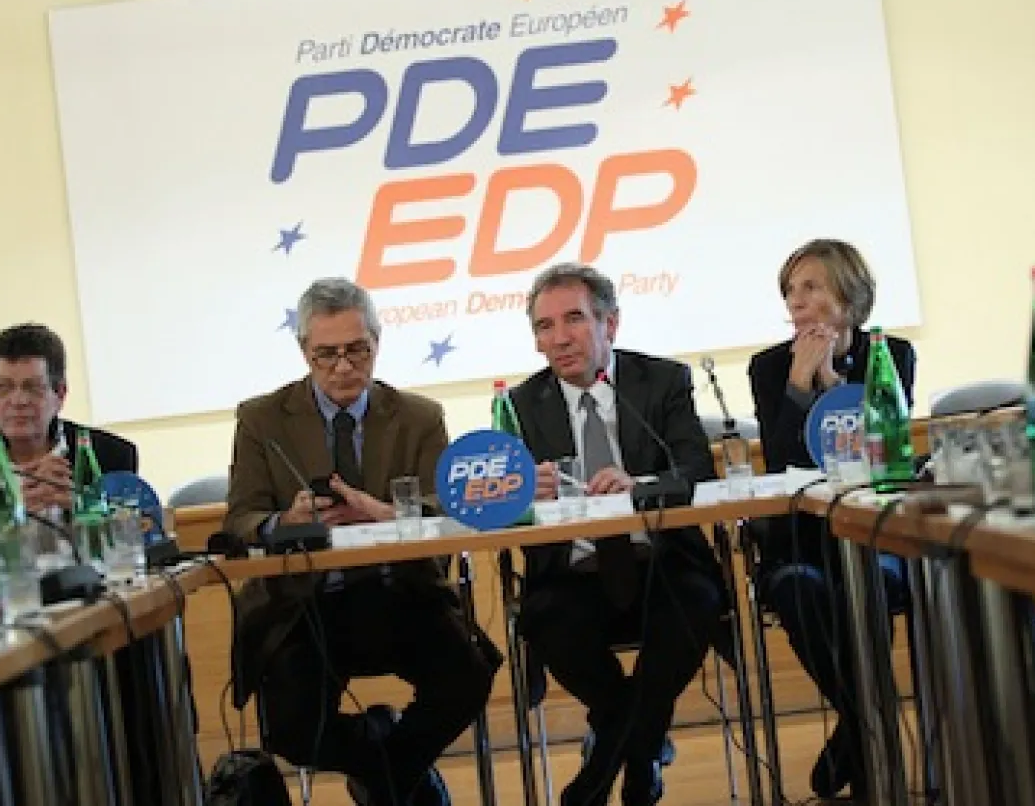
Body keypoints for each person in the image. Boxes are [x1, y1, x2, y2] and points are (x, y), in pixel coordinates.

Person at [224, 277, 497, 806]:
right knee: (291, 729)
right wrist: (287, 521)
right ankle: (390, 765)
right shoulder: (262, 420)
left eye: (357, 350)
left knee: (468, 677)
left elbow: (447, 512)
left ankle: (385, 782)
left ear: (377, 342)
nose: (344, 367)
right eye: (326, 355)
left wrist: (390, 516)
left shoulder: (418, 416)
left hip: (399, 592)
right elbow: (241, 519)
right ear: (304, 351)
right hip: (306, 604)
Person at [507, 262, 725, 806]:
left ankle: (603, 766)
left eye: (574, 319)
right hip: (572, 574)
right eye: (544, 326)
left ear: (611, 323)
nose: (560, 338)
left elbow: (695, 468)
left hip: (662, 562)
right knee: (546, 619)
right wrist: (522, 492)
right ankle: (641, 745)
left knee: (695, 603)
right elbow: (501, 503)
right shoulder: (520, 405)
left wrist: (640, 486)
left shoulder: (663, 381)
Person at [747, 239, 916, 802]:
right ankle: (868, 718)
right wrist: (799, 386)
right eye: (790, 291)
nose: (796, 301)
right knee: (797, 588)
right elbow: (782, 462)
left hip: (877, 534)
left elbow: (882, 445)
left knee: (875, 581)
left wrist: (832, 388)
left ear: (850, 295)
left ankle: (858, 735)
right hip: (802, 540)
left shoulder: (890, 354)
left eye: (811, 287)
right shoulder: (770, 366)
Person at [0, 323, 137, 510]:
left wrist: (81, 509)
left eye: (33, 387)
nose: (18, 401)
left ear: (60, 394)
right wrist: (12, 512)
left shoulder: (110, 455)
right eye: (4, 387)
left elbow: (132, 526)